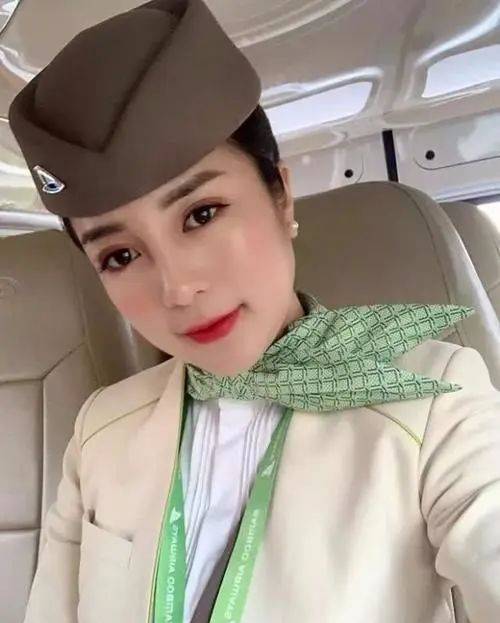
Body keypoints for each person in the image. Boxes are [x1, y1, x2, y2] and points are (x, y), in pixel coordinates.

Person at [8, 1, 500, 622]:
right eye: (120, 255)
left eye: (201, 214)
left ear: (281, 197)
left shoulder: (435, 399)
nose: (177, 288)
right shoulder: (101, 430)